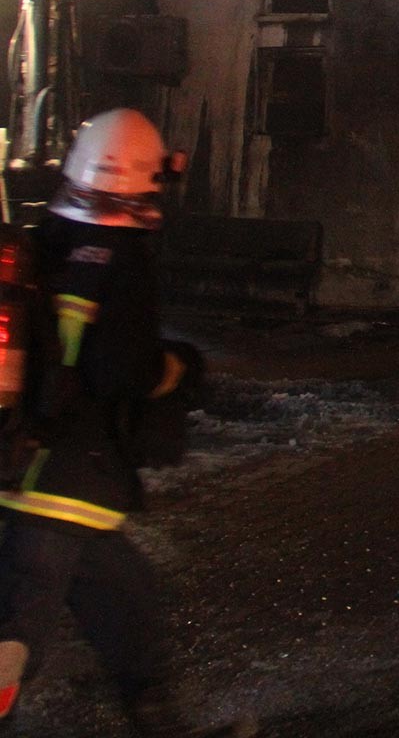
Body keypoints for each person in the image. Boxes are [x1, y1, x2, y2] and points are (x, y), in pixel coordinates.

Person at [0, 109, 251, 737]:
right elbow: (126, 373)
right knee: (11, 640)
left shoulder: (43, 240)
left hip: (33, 466)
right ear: (145, 179)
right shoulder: (124, 259)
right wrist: (181, 368)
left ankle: (158, 723)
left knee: (127, 601)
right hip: (64, 478)